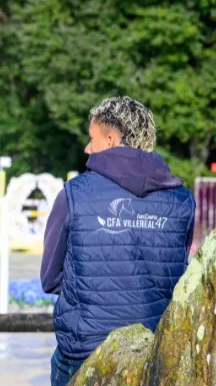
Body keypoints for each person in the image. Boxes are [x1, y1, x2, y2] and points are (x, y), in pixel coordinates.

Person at [41, 96, 195, 385]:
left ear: (110, 140)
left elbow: (50, 278)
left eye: (92, 139)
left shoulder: (74, 194)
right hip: (154, 353)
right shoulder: (182, 200)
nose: (87, 148)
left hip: (84, 352)